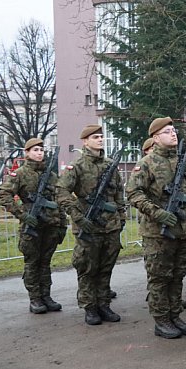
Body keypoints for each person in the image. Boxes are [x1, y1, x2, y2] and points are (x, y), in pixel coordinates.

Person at [125, 117, 186, 339]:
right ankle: (162, 319)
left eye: (173, 130)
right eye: (167, 132)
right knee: (159, 277)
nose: (173, 134)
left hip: (182, 229)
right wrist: (158, 213)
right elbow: (133, 193)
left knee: (177, 276)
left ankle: (175, 315)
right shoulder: (147, 163)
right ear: (155, 137)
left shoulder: (182, 162)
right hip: (158, 233)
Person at [57, 124, 126, 325]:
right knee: (87, 268)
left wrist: (121, 217)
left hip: (110, 226)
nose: (99, 140)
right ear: (85, 141)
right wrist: (78, 216)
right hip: (88, 226)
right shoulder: (77, 166)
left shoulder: (110, 165)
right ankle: (90, 307)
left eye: (101, 137)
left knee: (106, 267)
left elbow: (118, 193)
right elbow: (61, 192)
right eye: (95, 137)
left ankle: (104, 304)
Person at [0, 138, 67, 314]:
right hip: (32, 227)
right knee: (32, 263)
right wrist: (23, 215)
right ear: (27, 152)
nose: (39, 153)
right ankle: (35, 298)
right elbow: (3, 196)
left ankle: (46, 296)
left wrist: (62, 224)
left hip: (50, 225)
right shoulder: (20, 174)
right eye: (35, 150)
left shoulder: (51, 175)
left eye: (42, 150)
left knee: (45, 263)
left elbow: (58, 200)